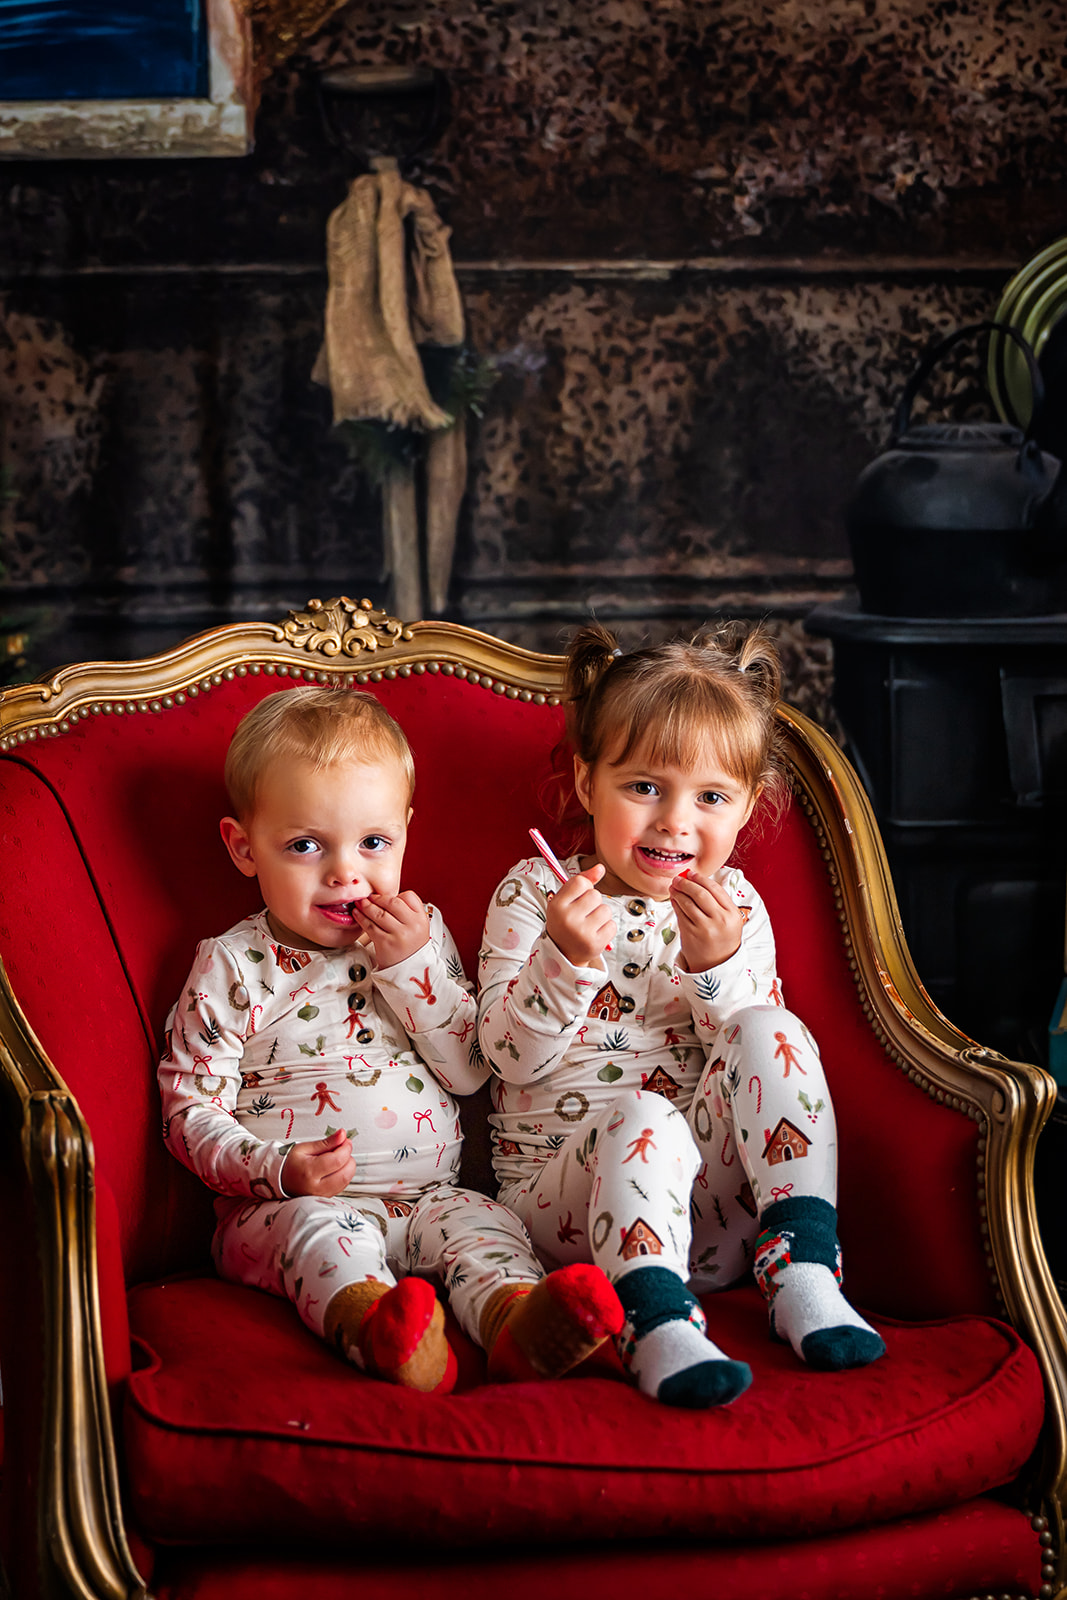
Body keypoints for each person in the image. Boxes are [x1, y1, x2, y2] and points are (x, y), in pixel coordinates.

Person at [158, 686, 621, 1396]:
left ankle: (516, 1328)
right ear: (243, 847)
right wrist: (280, 1170)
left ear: (405, 831)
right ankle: (381, 1333)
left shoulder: (419, 934)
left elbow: (469, 1071)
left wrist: (411, 968)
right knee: (321, 1242)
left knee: (486, 1228)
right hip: (283, 1206)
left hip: (430, 1197)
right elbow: (188, 1113)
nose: (346, 872)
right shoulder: (230, 964)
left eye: (373, 843)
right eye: (305, 845)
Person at [477, 622, 886, 1410]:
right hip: (566, 1209)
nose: (673, 821)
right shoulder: (535, 895)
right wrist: (562, 960)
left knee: (771, 1027)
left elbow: (756, 1076)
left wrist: (715, 971)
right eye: (643, 787)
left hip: (717, 1221)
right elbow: (506, 1061)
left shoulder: (736, 908)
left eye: (708, 797)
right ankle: (654, 1322)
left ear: (745, 809)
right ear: (586, 780)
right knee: (644, 1117)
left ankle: (800, 1268)